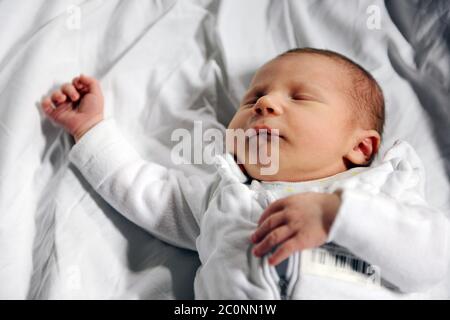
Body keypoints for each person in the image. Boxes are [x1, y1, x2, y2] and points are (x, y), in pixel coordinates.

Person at [41, 48, 449, 299]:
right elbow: (148, 192)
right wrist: (90, 129)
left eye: (300, 96)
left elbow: (434, 260)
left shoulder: (380, 188)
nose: (264, 103)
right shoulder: (224, 195)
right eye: (252, 98)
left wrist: (337, 215)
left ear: (360, 148)